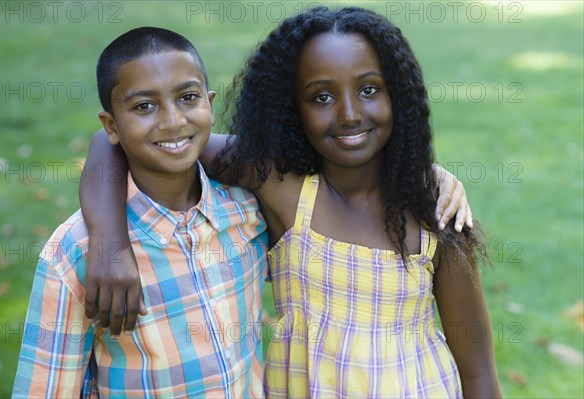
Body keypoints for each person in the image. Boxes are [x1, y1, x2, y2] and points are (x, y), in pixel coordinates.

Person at [213, 7, 501, 398]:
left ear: (396, 94)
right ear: (289, 109)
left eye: (368, 90)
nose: (349, 115)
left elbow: (479, 373)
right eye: (322, 97)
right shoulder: (282, 190)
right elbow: (154, 141)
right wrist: (108, 225)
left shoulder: (435, 212)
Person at [13, 27, 267, 398]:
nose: (172, 121)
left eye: (188, 97)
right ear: (111, 126)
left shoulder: (248, 210)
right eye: (144, 106)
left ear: (210, 105)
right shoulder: (77, 252)